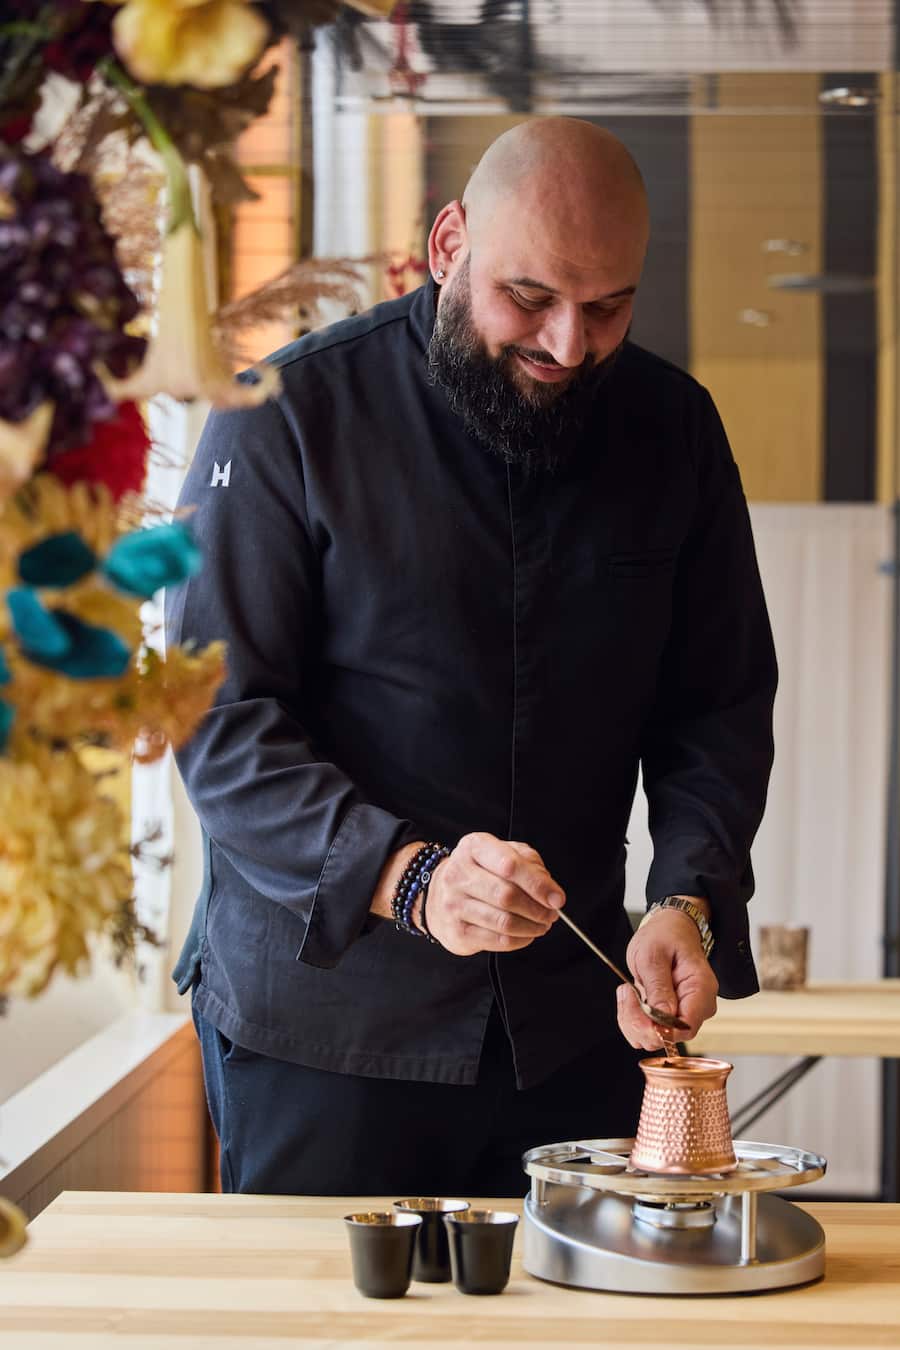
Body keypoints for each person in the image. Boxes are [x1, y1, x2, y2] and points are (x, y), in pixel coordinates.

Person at [167, 118, 776, 1198]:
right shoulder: (281, 417)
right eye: (530, 297)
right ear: (448, 243)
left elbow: (716, 706)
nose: (569, 345)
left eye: (609, 307)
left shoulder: (674, 429)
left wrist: (687, 898)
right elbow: (220, 723)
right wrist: (411, 880)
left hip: (575, 1024)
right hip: (329, 1031)